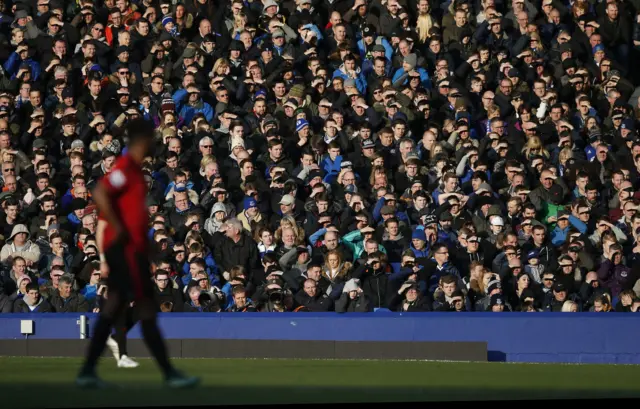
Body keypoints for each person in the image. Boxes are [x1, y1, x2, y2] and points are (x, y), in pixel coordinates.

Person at [76, 119, 199, 388]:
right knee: (144, 310)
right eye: (151, 138)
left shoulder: (135, 170)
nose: (154, 143)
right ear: (141, 140)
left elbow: (133, 214)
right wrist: (118, 228)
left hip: (134, 252)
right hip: (125, 253)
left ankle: (88, 371)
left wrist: (150, 249)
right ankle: (169, 374)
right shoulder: (124, 167)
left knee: (120, 310)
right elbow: (100, 191)